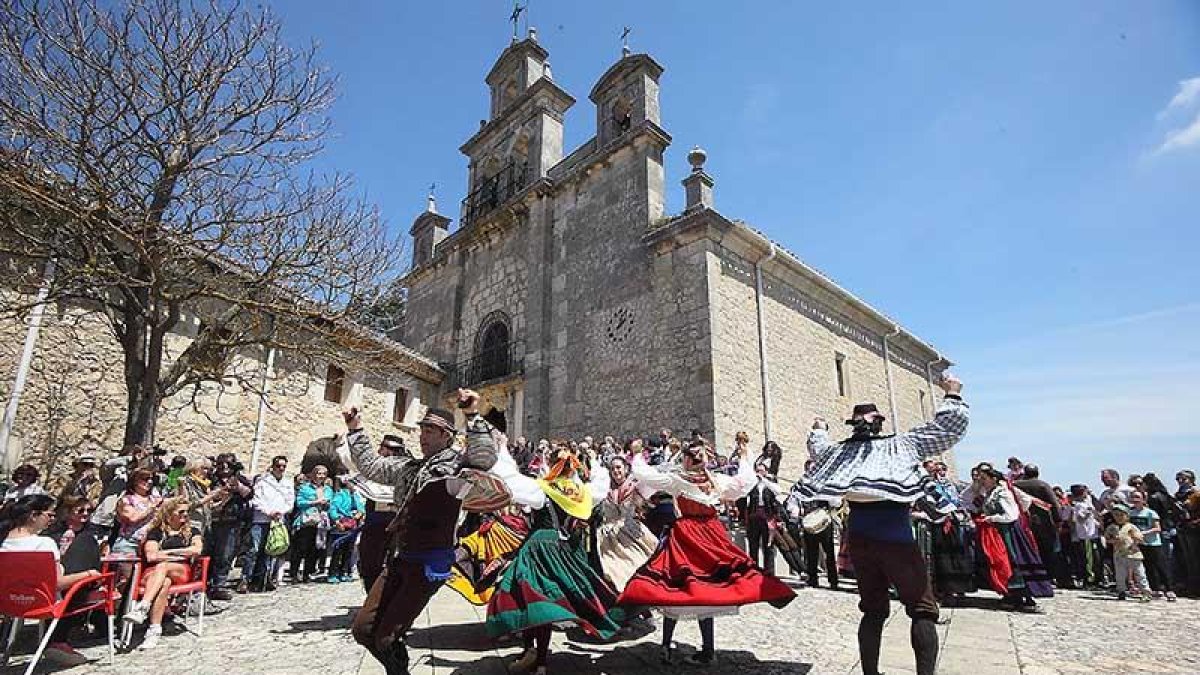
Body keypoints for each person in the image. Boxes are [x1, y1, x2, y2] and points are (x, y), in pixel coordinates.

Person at [798, 374, 967, 675]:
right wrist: (952, 393)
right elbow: (947, 429)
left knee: (873, 610)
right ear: (879, 423)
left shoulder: (839, 453)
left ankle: (871, 674)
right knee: (922, 609)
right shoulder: (901, 445)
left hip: (860, 541)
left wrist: (819, 428)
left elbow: (817, 447)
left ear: (854, 425)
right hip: (896, 539)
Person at [347, 390, 498, 675]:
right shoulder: (409, 466)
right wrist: (355, 429)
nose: (422, 436)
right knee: (362, 630)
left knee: (385, 638)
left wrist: (471, 414)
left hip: (430, 563)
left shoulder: (458, 465)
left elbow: (485, 458)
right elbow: (372, 467)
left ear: (446, 436)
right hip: (401, 557)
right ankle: (397, 662)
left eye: (430, 431)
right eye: (422, 430)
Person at [619, 442, 795, 666]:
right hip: (711, 536)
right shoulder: (716, 481)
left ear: (686, 460)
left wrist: (636, 455)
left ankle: (667, 646)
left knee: (675, 586)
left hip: (686, 537)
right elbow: (744, 482)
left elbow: (647, 475)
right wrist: (744, 457)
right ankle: (707, 650)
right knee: (708, 588)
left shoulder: (678, 481)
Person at [486, 444, 624, 674]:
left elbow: (509, 479)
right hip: (565, 551)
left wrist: (499, 449)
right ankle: (537, 659)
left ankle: (532, 652)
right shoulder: (581, 492)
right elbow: (601, 484)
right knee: (546, 605)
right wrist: (595, 462)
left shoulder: (541, 488)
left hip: (539, 550)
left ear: (551, 465)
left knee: (528, 599)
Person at [0, 494, 105, 665]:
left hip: (11, 602)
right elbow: (57, 584)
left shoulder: (3, 543)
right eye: (49, 515)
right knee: (86, 542)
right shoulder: (44, 544)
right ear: (34, 515)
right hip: (44, 602)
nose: (52, 519)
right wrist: (89, 574)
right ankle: (58, 640)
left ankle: (57, 641)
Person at [125, 496, 204, 649]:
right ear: (169, 513)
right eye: (181, 512)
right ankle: (154, 630)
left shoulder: (192, 531)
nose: (185, 515)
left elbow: (196, 550)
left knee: (163, 566)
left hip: (180, 571)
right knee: (164, 583)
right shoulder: (156, 532)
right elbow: (151, 556)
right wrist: (182, 553)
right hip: (153, 573)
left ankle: (143, 606)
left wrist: (168, 553)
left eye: (187, 512)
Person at [971, 464, 1052, 612]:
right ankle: (1012, 595)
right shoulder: (992, 492)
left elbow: (1010, 514)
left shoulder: (1003, 492)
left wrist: (991, 518)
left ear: (993, 479)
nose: (981, 482)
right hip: (999, 532)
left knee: (1014, 560)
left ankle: (1026, 597)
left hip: (1008, 532)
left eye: (984, 479)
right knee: (1004, 562)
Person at [338, 434, 404, 593]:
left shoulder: (403, 470)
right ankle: (374, 595)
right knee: (369, 563)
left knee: (394, 563)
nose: (380, 451)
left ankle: (387, 595)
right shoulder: (375, 470)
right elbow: (353, 464)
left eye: (385, 448)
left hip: (396, 524)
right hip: (375, 523)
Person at [594, 456, 659, 591]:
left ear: (626, 469)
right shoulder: (605, 488)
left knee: (639, 560)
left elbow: (652, 482)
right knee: (615, 568)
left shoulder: (636, 487)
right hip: (609, 535)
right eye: (612, 469)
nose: (615, 471)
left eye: (618, 467)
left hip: (630, 529)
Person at [237, 455, 294, 593]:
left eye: (283, 466)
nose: (281, 469)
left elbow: (290, 501)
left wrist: (281, 512)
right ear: (273, 466)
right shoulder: (263, 481)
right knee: (254, 550)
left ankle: (262, 579)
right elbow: (256, 500)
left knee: (270, 550)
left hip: (277, 521)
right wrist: (269, 512)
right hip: (261, 520)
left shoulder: (287, 483)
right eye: (278, 466)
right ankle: (245, 579)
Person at [1014, 464, 1069, 588]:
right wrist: (1058, 520)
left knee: (1027, 549)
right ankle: (1047, 576)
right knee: (1048, 551)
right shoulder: (1042, 485)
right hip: (1043, 523)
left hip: (1022, 522)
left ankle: (1027, 576)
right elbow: (1054, 504)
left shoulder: (1015, 485)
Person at [206, 460, 252, 601]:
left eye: (228, 466)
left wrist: (237, 487)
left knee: (225, 555)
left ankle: (219, 585)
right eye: (222, 466)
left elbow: (249, 494)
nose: (225, 469)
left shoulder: (240, 479)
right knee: (208, 553)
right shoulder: (211, 479)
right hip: (211, 520)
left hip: (231, 521)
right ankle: (205, 583)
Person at [1127, 490, 1175, 600]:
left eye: (1137, 497)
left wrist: (1144, 532)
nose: (1135, 499)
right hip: (1140, 543)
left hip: (1153, 543)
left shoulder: (1150, 513)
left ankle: (1169, 589)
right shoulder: (1130, 513)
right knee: (1148, 567)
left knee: (1160, 566)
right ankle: (1155, 588)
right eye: (1133, 497)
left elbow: (1157, 528)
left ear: (1143, 499)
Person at [290, 464, 332, 583]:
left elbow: (330, 503)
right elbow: (299, 503)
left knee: (314, 550)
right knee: (300, 548)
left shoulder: (328, 490)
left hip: (320, 522)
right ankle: (294, 573)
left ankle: (307, 573)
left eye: (324, 474)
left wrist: (327, 504)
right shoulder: (305, 488)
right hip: (307, 521)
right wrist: (315, 502)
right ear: (314, 475)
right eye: (319, 473)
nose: (321, 476)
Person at [742, 462, 783, 576]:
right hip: (754, 516)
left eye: (761, 470)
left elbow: (778, 491)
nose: (759, 473)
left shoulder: (770, 483)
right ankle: (753, 570)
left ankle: (769, 571)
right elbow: (744, 493)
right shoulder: (752, 483)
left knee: (768, 545)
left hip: (767, 516)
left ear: (766, 472)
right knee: (753, 544)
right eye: (757, 470)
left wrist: (764, 480)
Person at [1104, 504, 1150, 602]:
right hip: (1119, 554)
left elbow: (1140, 539)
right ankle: (1121, 591)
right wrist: (1113, 540)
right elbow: (1107, 539)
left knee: (1140, 573)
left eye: (1121, 515)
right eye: (1116, 515)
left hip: (1133, 554)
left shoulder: (1131, 527)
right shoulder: (1112, 527)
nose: (1119, 517)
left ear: (1127, 516)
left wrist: (1136, 538)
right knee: (1120, 575)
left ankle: (1145, 592)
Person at [112, 468, 162, 555]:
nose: (150, 482)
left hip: (150, 543)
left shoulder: (155, 499)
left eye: (151, 479)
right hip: (129, 543)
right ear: (135, 481)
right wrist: (152, 507)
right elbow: (132, 518)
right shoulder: (127, 500)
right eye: (145, 479)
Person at [326, 475, 365, 583]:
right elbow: (333, 508)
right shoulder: (340, 495)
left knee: (349, 550)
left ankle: (344, 572)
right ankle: (333, 573)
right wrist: (337, 521)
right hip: (341, 524)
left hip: (352, 525)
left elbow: (361, 507)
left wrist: (360, 513)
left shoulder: (355, 496)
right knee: (338, 550)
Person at [1067, 484, 1103, 588]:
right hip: (1085, 535)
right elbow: (1080, 519)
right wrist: (1088, 512)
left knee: (1096, 557)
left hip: (1093, 534)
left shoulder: (1087, 502)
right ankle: (1089, 579)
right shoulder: (1078, 506)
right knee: (1088, 558)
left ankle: (1097, 578)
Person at [1175, 470, 1200, 596]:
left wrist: (1194, 522)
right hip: (1182, 529)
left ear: (1191, 480)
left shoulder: (1196, 494)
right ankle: (1189, 585)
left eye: (1183, 479)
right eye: (1178, 479)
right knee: (1186, 560)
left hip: (1195, 530)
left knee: (1195, 559)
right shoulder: (1178, 495)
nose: (1180, 481)